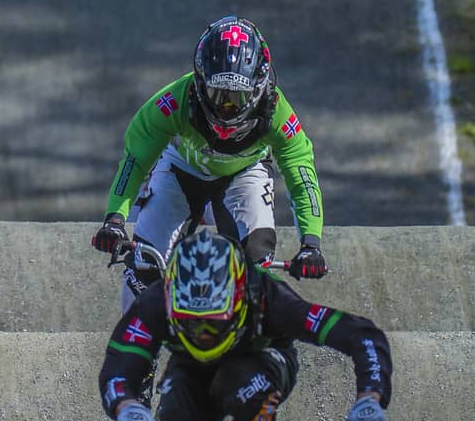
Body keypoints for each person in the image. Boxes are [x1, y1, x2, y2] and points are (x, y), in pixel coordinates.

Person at [100, 229, 390, 421]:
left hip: (264, 362)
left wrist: (370, 398)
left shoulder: (269, 296)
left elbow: (361, 334)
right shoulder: (155, 301)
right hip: (190, 369)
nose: (202, 334)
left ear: (238, 298)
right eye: (191, 322)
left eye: (213, 323)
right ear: (172, 302)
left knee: (241, 385)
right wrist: (127, 406)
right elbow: (120, 365)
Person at [92, 17, 327, 310]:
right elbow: (135, 163)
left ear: (258, 88)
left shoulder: (278, 114)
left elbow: (302, 177)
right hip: (181, 169)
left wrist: (311, 243)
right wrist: (115, 220)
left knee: (257, 261)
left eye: (236, 97)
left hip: (244, 175)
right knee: (144, 263)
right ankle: (139, 353)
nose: (226, 107)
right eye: (218, 95)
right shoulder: (171, 103)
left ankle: (253, 345)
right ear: (200, 82)